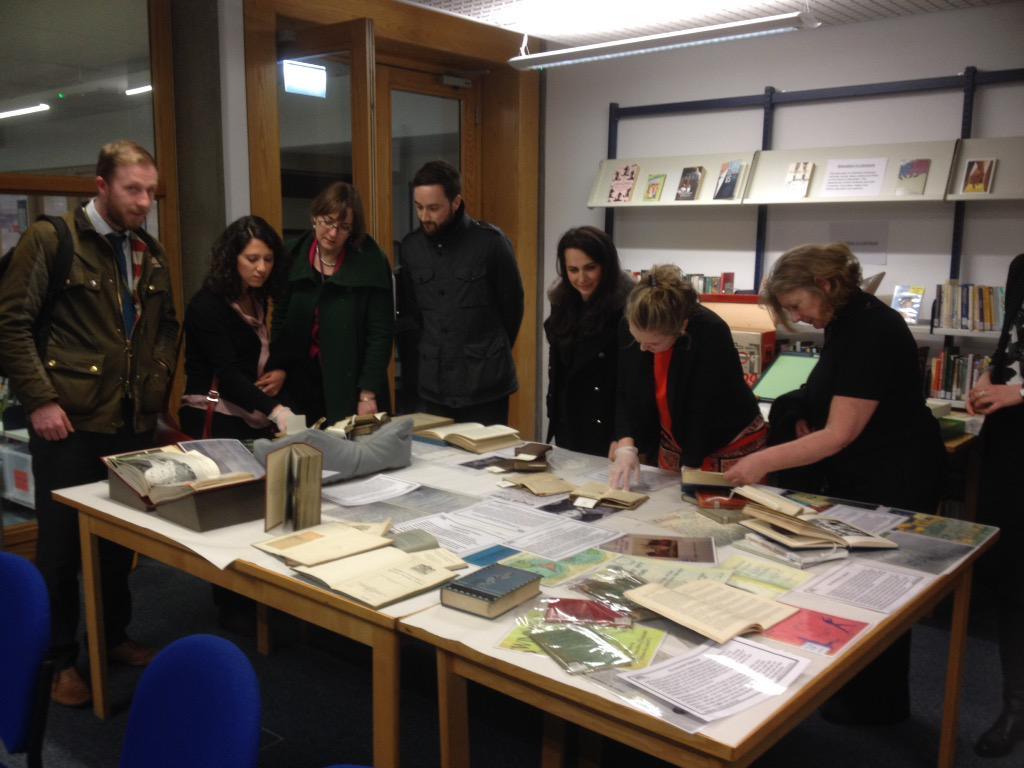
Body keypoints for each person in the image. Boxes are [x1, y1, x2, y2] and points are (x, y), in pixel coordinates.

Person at [724, 242, 946, 725]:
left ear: (826, 285)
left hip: (894, 475)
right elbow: (826, 388)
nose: (799, 318)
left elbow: (840, 433)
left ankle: (876, 709)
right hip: (870, 468)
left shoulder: (870, 330)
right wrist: (802, 408)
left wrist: (760, 463)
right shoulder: (849, 322)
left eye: (799, 306)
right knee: (856, 589)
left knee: (880, 593)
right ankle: (857, 697)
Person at [0, 140, 179, 707]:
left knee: (114, 545)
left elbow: (166, 328)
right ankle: (58, 662)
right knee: (59, 549)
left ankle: (113, 636)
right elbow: (10, 324)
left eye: (150, 190)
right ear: (100, 186)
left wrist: (156, 394)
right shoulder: (51, 241)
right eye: (133, 190)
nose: (144, 201)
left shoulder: (149, 251)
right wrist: (40, 401)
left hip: (129, 424)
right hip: (68, 424)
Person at [610, 265, 766, 489]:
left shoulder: (711, 331)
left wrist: (691, 467)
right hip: (674, 437)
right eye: (638, 340)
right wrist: (626, 443)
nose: (643, 348)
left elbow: (703, 407)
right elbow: (627, 386)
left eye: (653, 343)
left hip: (727, 438)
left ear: (681, 328)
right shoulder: (634, 320)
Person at [395, 160, 524, 425]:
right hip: (433, 385)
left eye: (433, 208)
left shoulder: (491, 243)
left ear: (455, 203)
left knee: (486, 463)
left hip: (485, 385)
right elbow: (412, 315)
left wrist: (486, 352)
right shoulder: (411, 248)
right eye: (418, 207)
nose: (424, 217)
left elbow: (512, 308)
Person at [271, 182, 393, 425]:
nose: (333, 234)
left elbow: (380, 333)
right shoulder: (293, 255)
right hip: (301, 379)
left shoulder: (370, 260)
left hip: (351, 380)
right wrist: (278, 366)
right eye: (328, 221)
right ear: (315, 217)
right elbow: (280, 320)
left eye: (344, 227)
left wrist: (368, 392)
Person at [967, 253, 1024, 758]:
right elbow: (1011, 342)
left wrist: (1021, 392)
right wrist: (988, 378)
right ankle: (1015, 706)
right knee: (1013, 580)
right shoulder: (1021, 266)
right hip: (1010, 443)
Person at [179, 215, 296, 440]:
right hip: (215, 414)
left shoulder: (256, 297)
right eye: (252, 259)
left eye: (268, 259)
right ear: (232, 259)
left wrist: (280, 372)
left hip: (250, 410)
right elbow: (228, 372)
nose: (261, 268)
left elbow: (255, 355)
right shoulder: (206, 304)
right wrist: (276, 411)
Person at [544, 226, 633, 457]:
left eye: (590, 268)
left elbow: (631, 383)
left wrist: (624, 436)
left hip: (608, 425)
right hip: (567, 421)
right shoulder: (562, 302)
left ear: (606, 265)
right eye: (572, 270)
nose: (581, 278)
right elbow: (558, 370)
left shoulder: (625, 308)